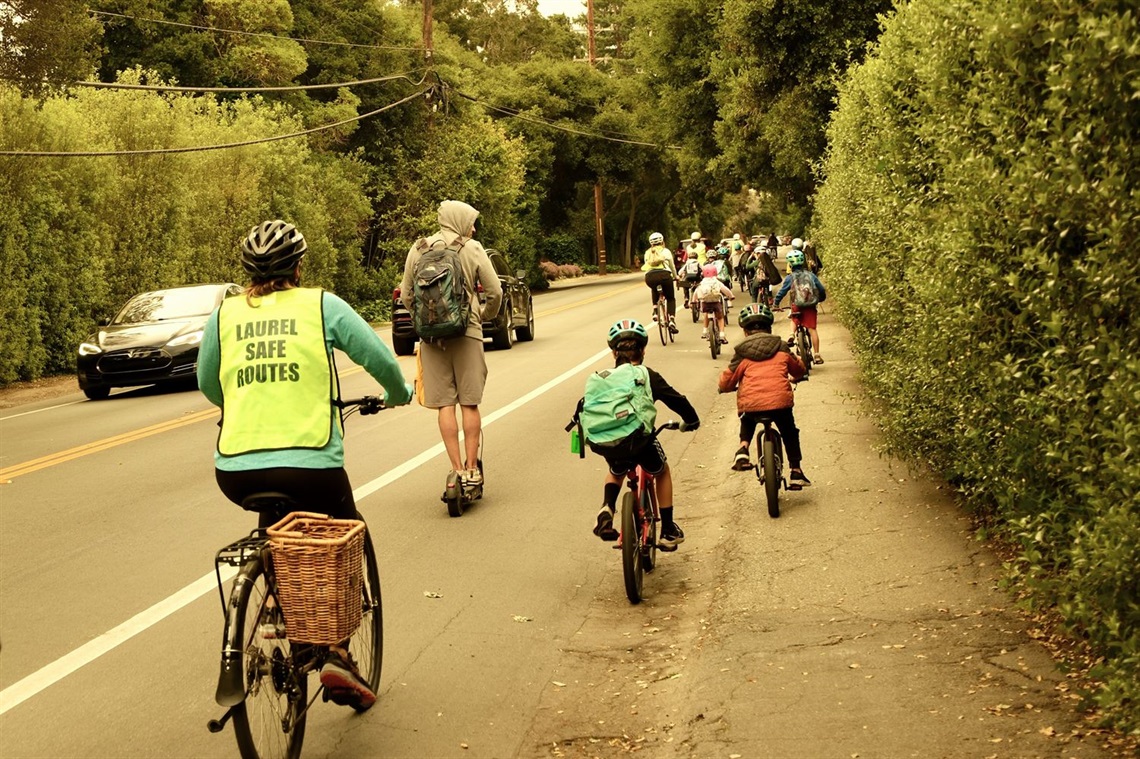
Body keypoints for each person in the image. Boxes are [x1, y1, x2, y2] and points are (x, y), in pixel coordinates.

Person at [198, 219, 414, 712]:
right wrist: (397, 393)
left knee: (277, 530)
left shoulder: (223, 317)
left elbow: (211, 386)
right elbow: (379, 358)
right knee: (343, 532)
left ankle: (280, 612)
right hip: (310, 465)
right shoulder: (322, 305)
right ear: (299, 267)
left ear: (247, 272)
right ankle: (335, 651)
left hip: (235, 470)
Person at [400, 200, 503, 488]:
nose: (473, 227)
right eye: (470, 221)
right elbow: (495, 292)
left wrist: (424, 319)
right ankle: (473, 470)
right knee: (469, 402)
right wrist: (481, 316)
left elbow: (407, 294)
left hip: (431, 337)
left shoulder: (418, 248)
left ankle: (456, 470)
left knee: (445, 403)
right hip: (466, 330)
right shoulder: (471, 248)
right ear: (459, 221)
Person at [590, 319, 700, 550]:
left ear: (614, 353)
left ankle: (606, 508)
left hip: (607, 442)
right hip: (640, 441)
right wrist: (692, 420)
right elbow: (677, 400)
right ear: (643, 350)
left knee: (616, 470)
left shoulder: (603, 377)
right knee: (662, 470)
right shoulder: (646, 375)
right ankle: (668, 529)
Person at [717, 304, 810, 483]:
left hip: (752, 404)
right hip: (780, 402)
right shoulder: (782, 347)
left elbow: (727, 380)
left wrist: (725, 388)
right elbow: (798, 369)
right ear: (769, 328)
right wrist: (798, 376)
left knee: (747, 417)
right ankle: (796, 470)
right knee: (789, 431)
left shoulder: (741, 353)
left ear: (745, 331)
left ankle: (743, 450)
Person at [774, 242, 827, 364]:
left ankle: (792, 334)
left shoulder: (790, 277)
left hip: (797, 304)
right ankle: (817, 355)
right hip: (810, 305)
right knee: (812, 329)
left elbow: (782, 292)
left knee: (794, 319)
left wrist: (776, 303)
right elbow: (821, 289)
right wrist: (821, 298)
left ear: (790, 264)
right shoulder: (811, 275)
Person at [642, 231, 679, 333]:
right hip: (664, 276)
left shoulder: (647, 252)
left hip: (650, 277)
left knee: (654, 288)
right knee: (671, 298)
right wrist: (676, 277)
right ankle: (671, 320)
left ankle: (655, 311)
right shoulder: (666, 251)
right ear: (662, 241)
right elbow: (672, 266)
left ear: (651, 243)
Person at [694, 263, 734, 343]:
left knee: (706, 314)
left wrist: (693, 300)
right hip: (716, 302)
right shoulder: (717, 281)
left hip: (705, 303)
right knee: (720, 317)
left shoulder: (702, 283)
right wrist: (731, 296)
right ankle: (722, 335)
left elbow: (696, 292)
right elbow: (725, 289)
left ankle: (705, 331)